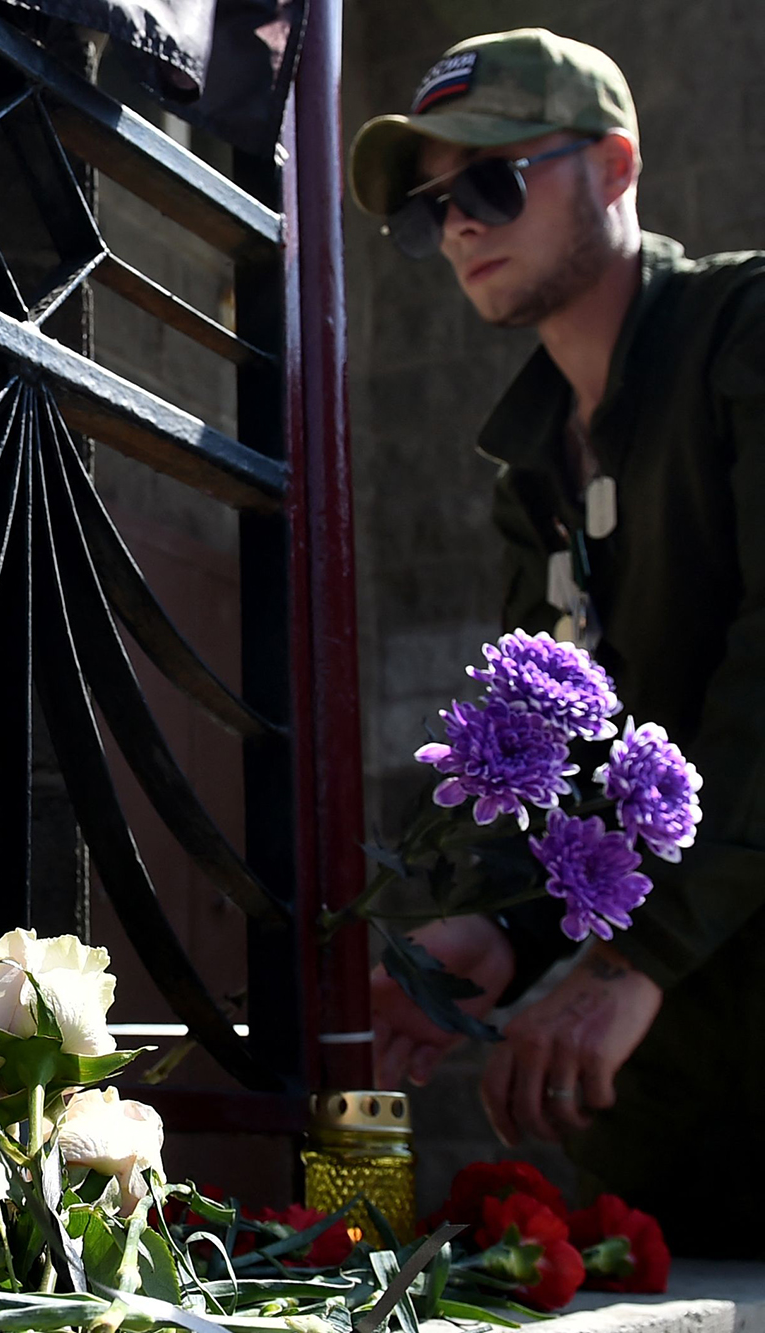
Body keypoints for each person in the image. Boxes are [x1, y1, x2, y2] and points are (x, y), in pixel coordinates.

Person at [350, 30, 765, 1250]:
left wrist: (626, 962)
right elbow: (561, 767)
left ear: (616, 165)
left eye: (490, 180)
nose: (457, 227)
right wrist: (500, 929)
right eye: (428, 209)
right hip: (662, 1095)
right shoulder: (528, 476)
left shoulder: (743, 332)